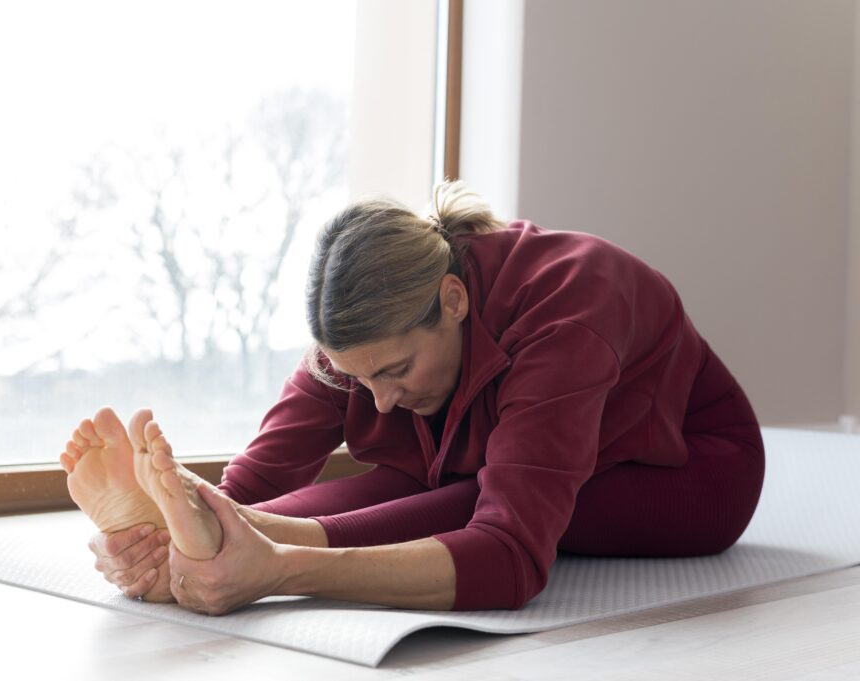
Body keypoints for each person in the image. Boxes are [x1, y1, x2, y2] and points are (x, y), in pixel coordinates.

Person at [60, 181, 765, 615]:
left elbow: (512, 554)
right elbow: (260, 478)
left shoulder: (568, 305)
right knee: (339, 492)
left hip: (684, 470)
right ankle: (207, 543)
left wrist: (278, 568)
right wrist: (169, 529)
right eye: (358, 378)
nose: (382, 401)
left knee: (475, 499)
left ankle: (245, 549)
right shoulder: (365, 341)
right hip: (473, 456)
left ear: (452, 300)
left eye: (394, 370)